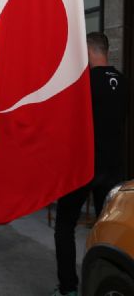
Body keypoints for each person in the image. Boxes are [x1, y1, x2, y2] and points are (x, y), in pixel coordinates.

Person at [52, 32, 128, 296]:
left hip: (83, 166)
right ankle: (103, 283)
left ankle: (69, 289)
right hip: (114, 166)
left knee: (65, 225)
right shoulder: (124, 81)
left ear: (88, 50)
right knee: (106, 228)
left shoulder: (83, 84)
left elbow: (68, 125)